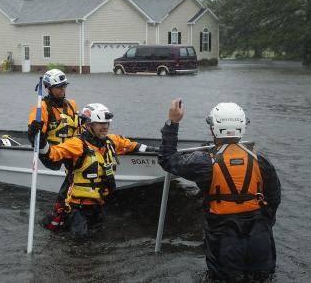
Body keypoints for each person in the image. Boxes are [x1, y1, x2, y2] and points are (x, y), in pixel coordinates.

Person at [158, 99, 281, 282]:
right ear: (242, 127)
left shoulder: (204, 162)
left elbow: (168, 159)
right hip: (259, 236)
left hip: (225, 239)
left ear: (213, 129)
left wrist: (172, 122)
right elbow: (274, 197)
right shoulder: (260, 160)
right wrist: (264, 223)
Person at [29, 103, 158, 238]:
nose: (105, 127)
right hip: (77, 209)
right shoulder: (77, 144)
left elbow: (131, 145)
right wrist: (39, 141)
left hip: (98, 207)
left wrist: (155, 151)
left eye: (107, 123)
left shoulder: (111, 142)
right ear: (88, 125)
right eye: (100, 123)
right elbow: (52, 155)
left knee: (100, 237)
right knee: (80, 241)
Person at [27, 69, 81, 230]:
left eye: (64, 86)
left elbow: (79, 129)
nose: (62, 90)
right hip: (52, 155)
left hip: (71, 150)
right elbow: (34, 140)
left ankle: (70, 203)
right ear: (48, 88)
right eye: (58, 87)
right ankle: (61, 208)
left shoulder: (71, 104)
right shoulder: (41, 108)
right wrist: (33, 131)